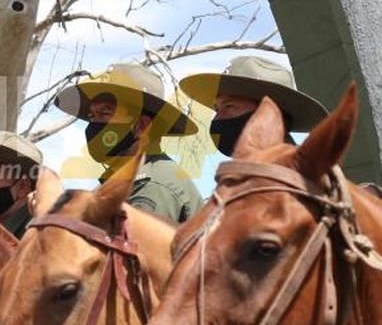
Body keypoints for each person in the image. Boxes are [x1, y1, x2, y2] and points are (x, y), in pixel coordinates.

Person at [55, 62, 202, 224]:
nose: (93, 125)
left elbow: (132, 246)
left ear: (141, 126)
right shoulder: (124, 180)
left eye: (105, 113)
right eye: (92, 116)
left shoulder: (152, 186)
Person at [179, 55, 328, 156]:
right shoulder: (240, 180)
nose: (218, 118)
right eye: (217, 108)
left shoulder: (303, 179)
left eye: (230, 106)